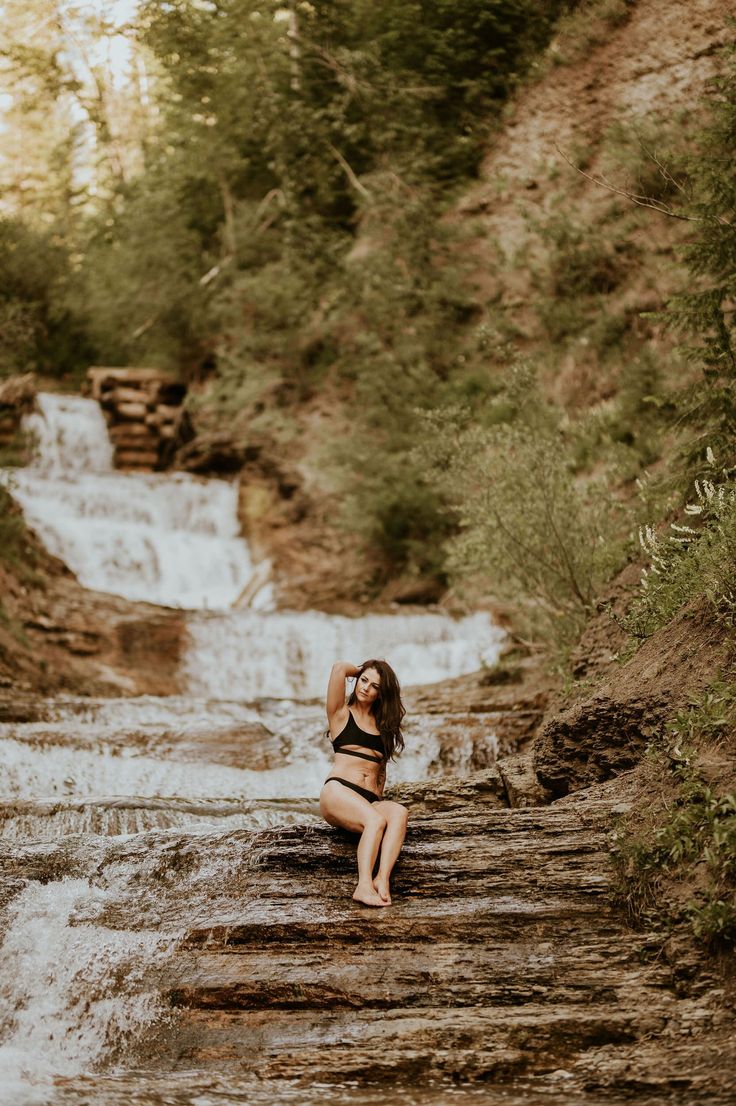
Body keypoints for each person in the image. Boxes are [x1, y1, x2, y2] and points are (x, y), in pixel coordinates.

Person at [320, 659, 409, 907]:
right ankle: (363, 885)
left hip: (368, 799)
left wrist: (377, 800)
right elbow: (338, 667)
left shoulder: (384, 728)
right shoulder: (340, 715)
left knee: (399, 813)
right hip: (338, 791)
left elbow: (380, 773)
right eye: (364, 681)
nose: (366, 687)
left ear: (382, 693)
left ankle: (382, 879)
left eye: (375, 686)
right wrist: (366, 668)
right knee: (376, 820)